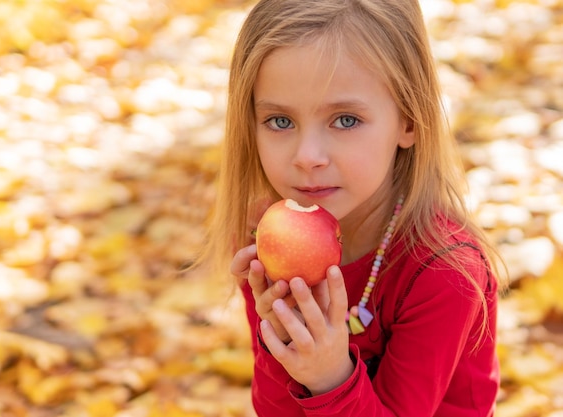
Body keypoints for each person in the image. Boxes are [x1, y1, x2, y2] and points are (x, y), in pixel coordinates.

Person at [200, 0, 507, 415]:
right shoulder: (268, 239)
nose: (307, 156)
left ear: (409, 120)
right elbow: (275, 409)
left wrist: (329, 379)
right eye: (280, 121)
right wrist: (282, 342)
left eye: (345, 120)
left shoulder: (443, 273)